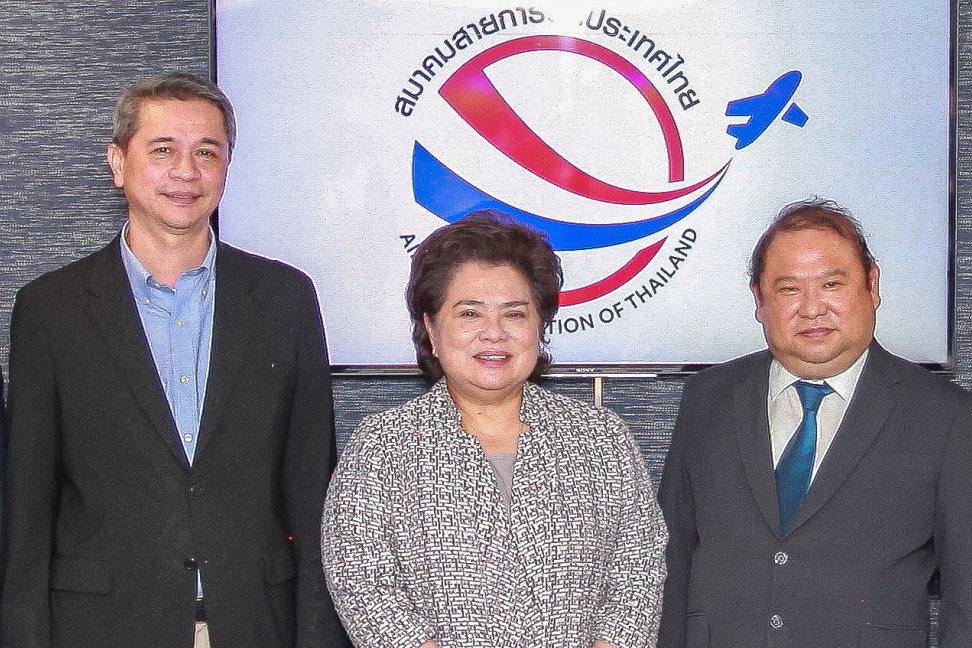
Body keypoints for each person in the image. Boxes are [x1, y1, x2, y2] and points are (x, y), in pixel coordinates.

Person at [0, 73, 349, 648]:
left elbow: (312, 489)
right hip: (100, 627)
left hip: (257, 622)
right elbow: (27, 508)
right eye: (163, 150)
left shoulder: (284, 299)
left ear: (227, 167)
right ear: (118, 163)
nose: (186, 171)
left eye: (206, 153)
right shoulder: (50, 310)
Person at [321, 211, 667, 648]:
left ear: (539, 325)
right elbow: (362, 583)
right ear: (430, 327)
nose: (494, 334)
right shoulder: (380, 447)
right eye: (469, 313)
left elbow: (638, 569)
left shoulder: (602, 439)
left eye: (515, 314)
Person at [658, 198, 972, 647]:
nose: (811, 308)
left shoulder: (946, 416)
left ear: (872, 284)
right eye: (789, 290)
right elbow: (671, 561)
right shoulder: (707, 399)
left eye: (831, 284)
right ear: (759, 301)